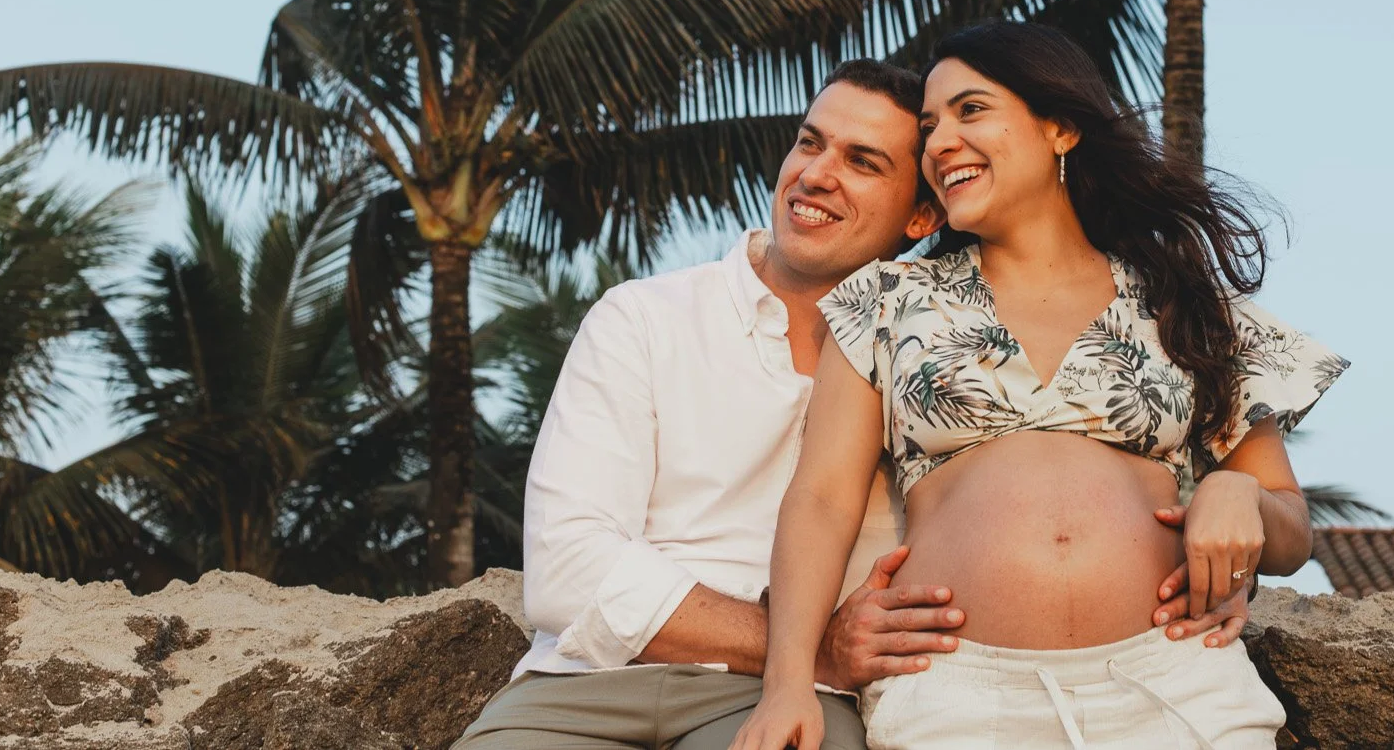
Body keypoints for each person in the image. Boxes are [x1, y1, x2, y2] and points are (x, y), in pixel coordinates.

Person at [456, 58, 1245, 750]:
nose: (817, 173)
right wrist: (804, 649)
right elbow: (566, 567)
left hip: (801, 697)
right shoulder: (645, 317)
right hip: (591, 678)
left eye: (863, 161)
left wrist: (1220, 536)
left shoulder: (935, 352)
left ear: (921, 215)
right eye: (810, 142)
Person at [735, 24, 1349, 750]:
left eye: (970, 110)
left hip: (1178, 684)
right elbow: (820, 500)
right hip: (957, 699)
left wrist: (1241, 493)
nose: (940, 143)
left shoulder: (1182, 301)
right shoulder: (885, 299)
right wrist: (788, 684)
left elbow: (1291, 529)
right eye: (929, 128)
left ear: (1060, 128)